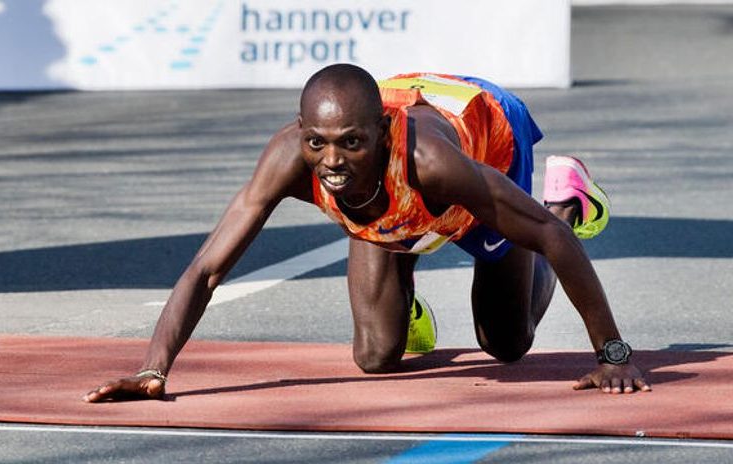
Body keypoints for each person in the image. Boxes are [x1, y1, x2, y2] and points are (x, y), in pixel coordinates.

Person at [84, 64, 650, 402]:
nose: (332, 162)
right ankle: (405, 299)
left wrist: (613, 354)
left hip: (486, 140)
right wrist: (152, 370)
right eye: (318, 143)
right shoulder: (292, 156)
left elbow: (549, 236)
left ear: (380, 132)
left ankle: (570, 193)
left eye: (351, 143)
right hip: (396, 204)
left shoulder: (434, 162)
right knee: (377, 357)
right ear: (301, 132)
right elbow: (207, 269)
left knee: (507, 343)